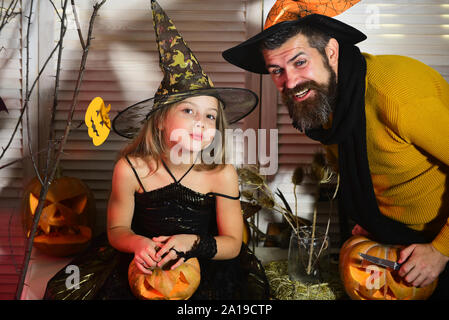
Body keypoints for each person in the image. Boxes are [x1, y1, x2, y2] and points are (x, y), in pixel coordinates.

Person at [222, 0, 449, 299]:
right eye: (277, 70)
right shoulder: (326, 105)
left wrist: (441, 250)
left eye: (300, 62)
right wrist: (370, 216)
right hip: (387, 234)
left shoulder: (398, 93)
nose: (290, 82)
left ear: (331, 51)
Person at [44, 0, 269, 300]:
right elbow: (117, 229)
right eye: (189, 111)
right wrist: (137, 243)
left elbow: (232, 243)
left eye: (210, 116)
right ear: (161, 119)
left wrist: (192, 243)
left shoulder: (221, 173)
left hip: (202, 264)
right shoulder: (131, 168)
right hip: (143, 265)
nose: (201, 122)